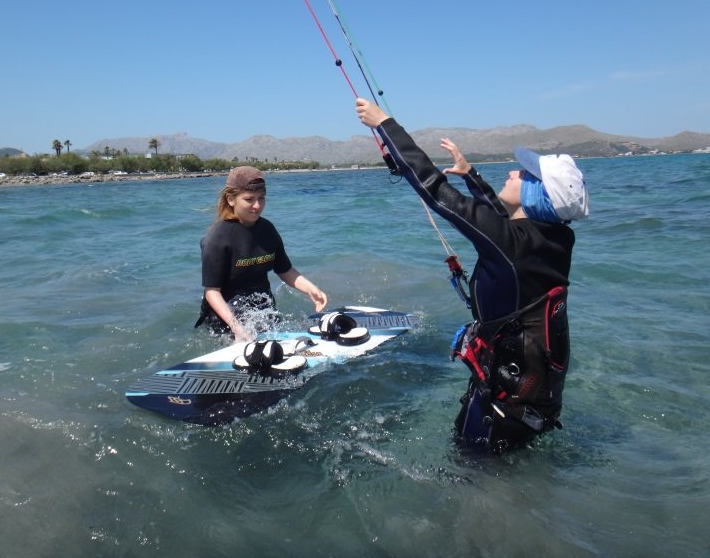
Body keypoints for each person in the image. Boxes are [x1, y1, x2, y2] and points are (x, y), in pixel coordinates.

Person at [355, 98, 589, 452]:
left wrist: (385, 124)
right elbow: (505, 222)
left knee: (473, 485)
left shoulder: (512, 243)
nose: (513, 173)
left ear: (535, 194)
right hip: (535, 403)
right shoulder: (556, 238)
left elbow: (434, 190)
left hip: (500, 413)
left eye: (524, 175)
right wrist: (471, 176)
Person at [196, 165, 328, 342]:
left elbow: (285, 270)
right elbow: (212, 291)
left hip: (263, 312)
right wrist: (236, 328)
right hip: (227, 320)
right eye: (249, 199)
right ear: (231, 199)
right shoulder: (217, 238)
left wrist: (311, 289)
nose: (257, 206)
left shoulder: (267, 229)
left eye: (261, 198)